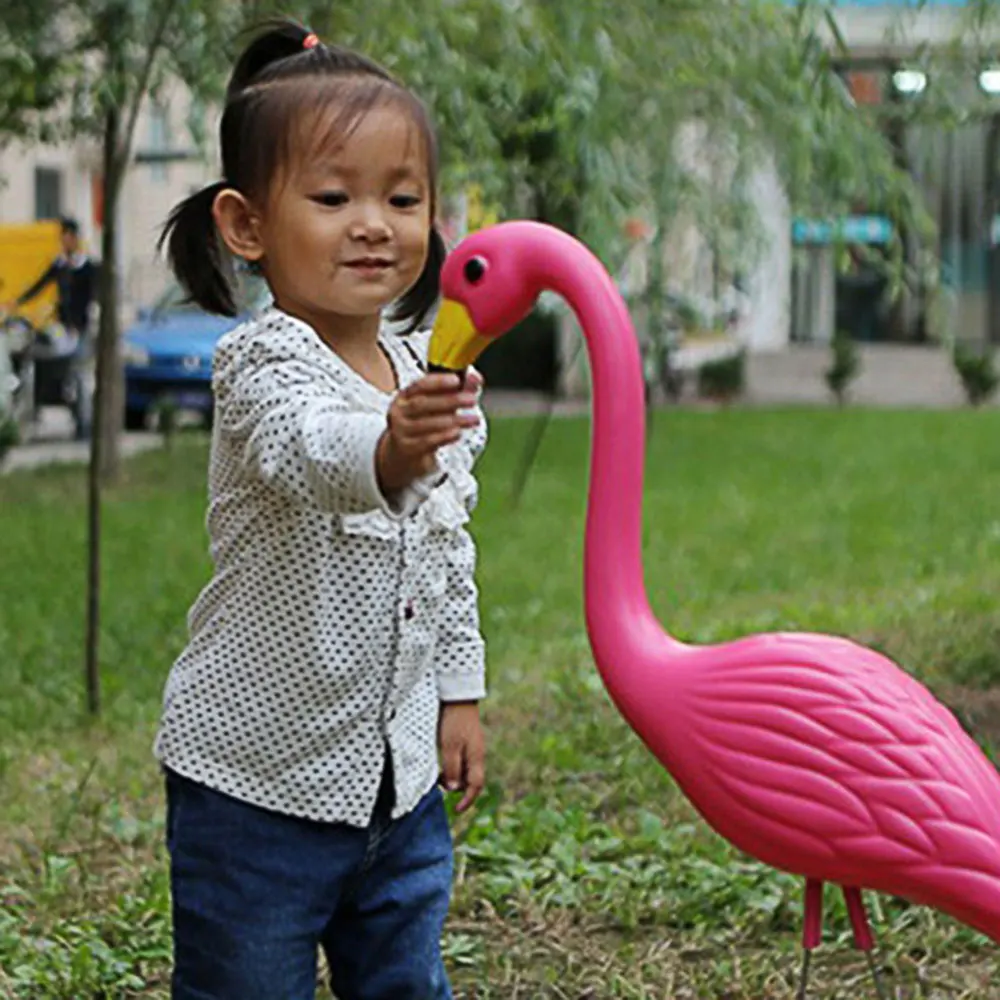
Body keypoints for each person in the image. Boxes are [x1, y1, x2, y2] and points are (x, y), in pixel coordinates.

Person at [154, 19, 488, 1000]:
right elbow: (315, 454)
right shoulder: (261, 362)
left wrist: (457, 692)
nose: (374, 223)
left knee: (406, 982)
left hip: (398, 788)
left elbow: (444, 550)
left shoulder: (428, 367)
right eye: (333, 197)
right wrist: (391, 445)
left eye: (401, 197)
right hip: (250, 790)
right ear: (247, 225)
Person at [7, 216, 98, 337]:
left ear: (74, 239)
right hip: (63, 323)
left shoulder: (87, 266)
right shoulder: (60, 264)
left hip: (80, 325)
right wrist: (19, 301)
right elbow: (40, 284)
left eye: (66, 238)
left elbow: (93, 294)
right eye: (62, 239)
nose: (63, 243)